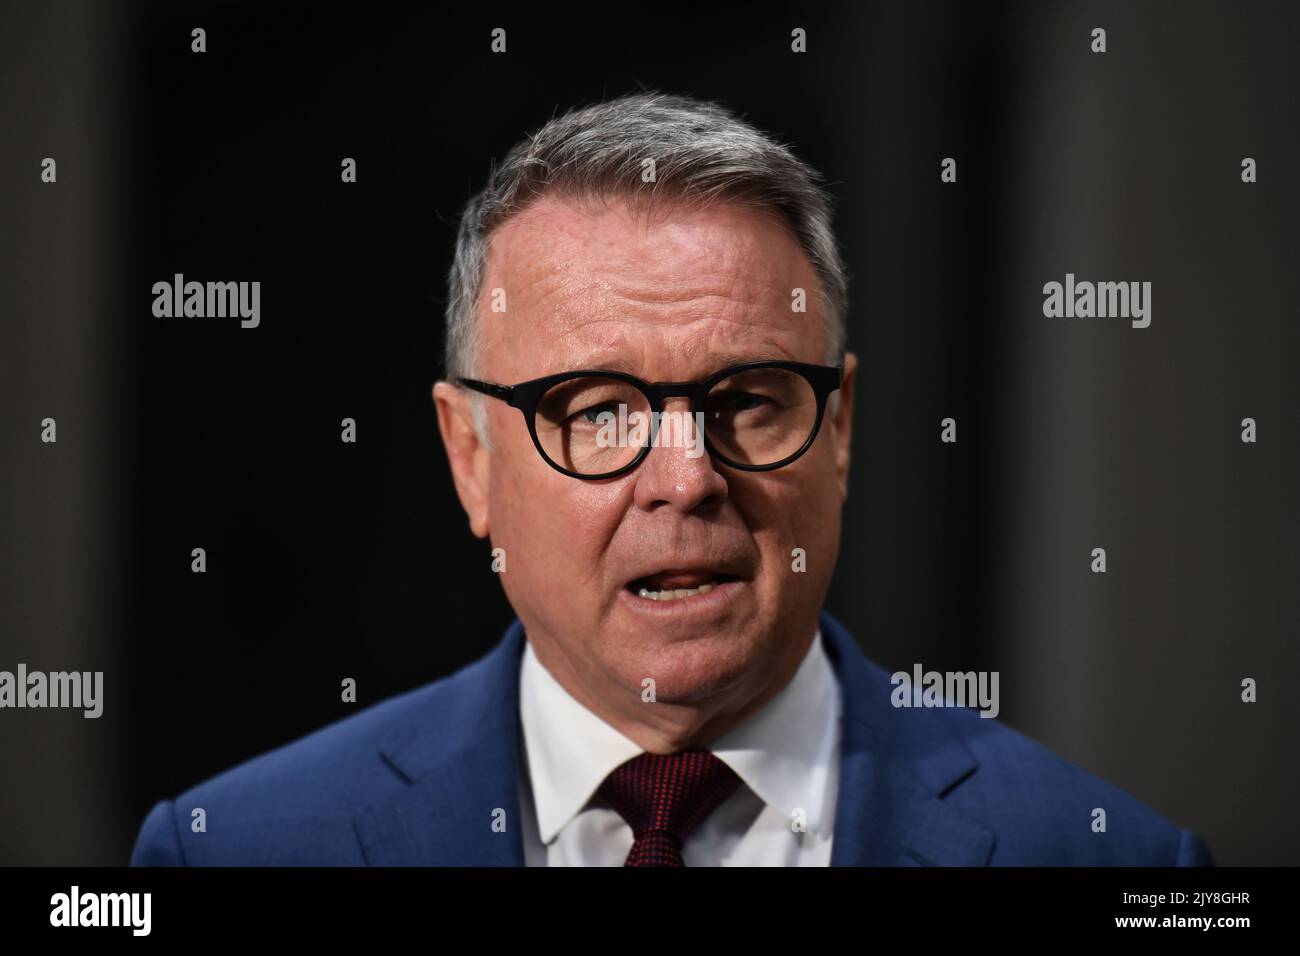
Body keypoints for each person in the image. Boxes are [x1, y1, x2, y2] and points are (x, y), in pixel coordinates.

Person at [131, 92, 1212, 866]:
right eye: (599, 413)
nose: (686, 480)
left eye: (747, 399)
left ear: (838, 430)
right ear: (471, 459)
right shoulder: (234, 848)